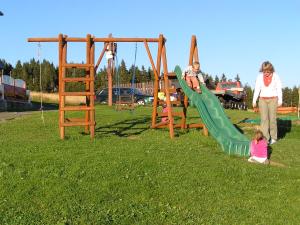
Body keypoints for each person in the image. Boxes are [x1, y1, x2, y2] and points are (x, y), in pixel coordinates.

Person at [252, 61, 282, 145]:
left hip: (273, 99)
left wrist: (280, 100)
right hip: (262, 100)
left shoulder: (276, 76)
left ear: (271, 70)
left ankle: (274, 138)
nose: (266, 73)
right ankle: (266, 138)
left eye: (268, 71)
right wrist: (254, 100)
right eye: (264, 71)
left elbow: (279, 88)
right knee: (264, 120)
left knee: (272, 119)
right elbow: (257, 89)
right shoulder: (259, 77)